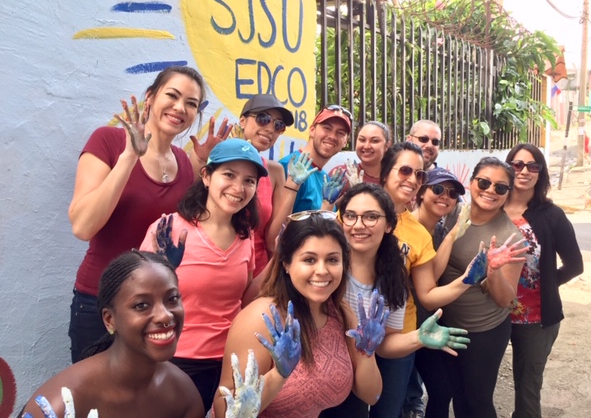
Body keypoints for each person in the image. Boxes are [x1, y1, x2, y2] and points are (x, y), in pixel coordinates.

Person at [67, 66, 229, 363]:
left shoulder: (182, 161)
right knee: (97, 403)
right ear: (151, 98)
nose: (180, 107)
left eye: (191, 104)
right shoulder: (108, 141)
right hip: (101, 303)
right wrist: (130, 156)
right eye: (173, 95)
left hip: (155, 308)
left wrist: (205, 164)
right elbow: (82, 225)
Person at [140, 138, 268, 411]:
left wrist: (281, 258)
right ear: (207, 176)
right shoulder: (169, 228)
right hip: (174, 360)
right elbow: (137, 297)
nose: (238, 188)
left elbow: (243, 299)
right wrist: (163, 273)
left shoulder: (246, 236)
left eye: (249, 180)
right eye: (229, 175)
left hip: (227, 362)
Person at [213, 211, 383, 418]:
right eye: (310, 260)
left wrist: (367, 354)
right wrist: (277, 376)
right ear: (286, 263)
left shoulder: (341, 313)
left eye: (332, 260)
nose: (322, 270)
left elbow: (371, 396)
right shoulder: (262, 318)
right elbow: (224, 412)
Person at [321, 183, 470, 417]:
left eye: (371, 217)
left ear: (389, 225)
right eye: (350, 216)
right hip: (320, 371)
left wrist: (417, 338)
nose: (359, 225)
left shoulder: (394, 276)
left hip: (358, 372)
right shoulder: (323, 266)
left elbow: (385, 345)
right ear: (341, 221)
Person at [21, 250, 204, 418]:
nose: (165, 315)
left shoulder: (183, 394)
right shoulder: (60, 403)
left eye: (172, 299)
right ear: (109, 319)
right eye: (141, 305)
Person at [368, 143, 459, 417]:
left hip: (399, 335)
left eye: (419, 175)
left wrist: (468, 279)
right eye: (405, 170)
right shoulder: (356, 213)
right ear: (385, 173)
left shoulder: (418, 233)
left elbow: (427, 293)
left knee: (388, 411)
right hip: (351, 330)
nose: (412, 180)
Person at [439, 157, 528, 418]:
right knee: (457, 396)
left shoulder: (510, 238)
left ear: (508, 194)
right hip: (446, 325)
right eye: (485, 182)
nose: (490, 190)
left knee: (477, 401)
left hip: (483, 331)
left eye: (500, 188)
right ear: (471, 182)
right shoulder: (454, 211)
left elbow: (505, 299)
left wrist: (494, 271)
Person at [504, 144, 584, 418]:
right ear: (508, 168)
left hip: (536, 319)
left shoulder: (551, 215)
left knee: (527, 392)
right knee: (479, 384)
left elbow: (575, 265)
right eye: (517, 164)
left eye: (532, 166)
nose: (524, 171)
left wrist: (547, 285)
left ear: (541, 173)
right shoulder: (492, 207)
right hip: (491, 314)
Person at [408, 168, 467, 418]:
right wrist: (455, 233)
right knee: (396, 399)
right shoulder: (408, 227)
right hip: (402, 326)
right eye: (438, 189)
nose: (445, 196)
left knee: (442, 390)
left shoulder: (439, 228)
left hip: (427, 323)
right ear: (421, 192)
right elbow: (429, 282)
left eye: (452, 193)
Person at [236, 93, 297, 275]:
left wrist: (293, 186)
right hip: (223, 266)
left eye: (278, 125)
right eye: (263, 119)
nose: (270, 129)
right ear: (243, 121)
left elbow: (273, 240)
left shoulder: (275, 171)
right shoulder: (219, 162)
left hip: (259, 271)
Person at [279, 105, 352, 213]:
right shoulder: (289, 167)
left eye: (340, 133)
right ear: (312, 130)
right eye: (327, 128)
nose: (332, 136)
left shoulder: (325, 178)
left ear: (345, 142)